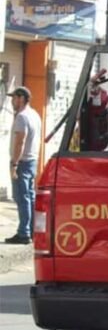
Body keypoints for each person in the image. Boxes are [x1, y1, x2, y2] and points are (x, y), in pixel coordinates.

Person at [5, 87, 42, 245]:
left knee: (22, 198)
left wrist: (14, 164)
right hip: (32, 161)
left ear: (21, 98)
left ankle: (23, 233)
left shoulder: (22, 117)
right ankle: (33, 231)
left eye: (14, 98)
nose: (12, 101)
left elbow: (20, 141)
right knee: (30, 197)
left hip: (22, 162)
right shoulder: (34, 115)